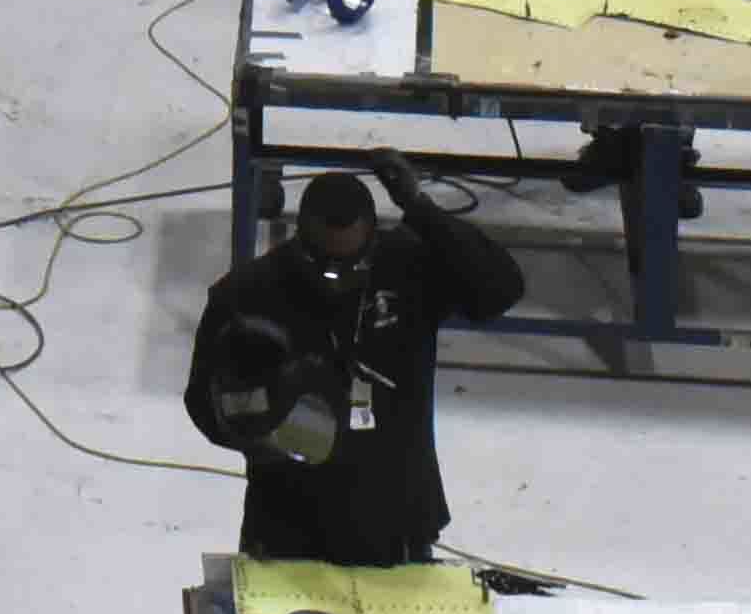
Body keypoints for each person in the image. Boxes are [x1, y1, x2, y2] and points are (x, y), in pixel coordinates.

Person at [183, 162, 524, 565]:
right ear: (299, 238)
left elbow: (500, 290)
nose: (335, 279)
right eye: (322, 264)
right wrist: (272, 415)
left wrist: (421, 208)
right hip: (288, 520)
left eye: (351, 266)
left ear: (373, 239)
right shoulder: (247, 297)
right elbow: (204, 408)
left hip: (395, 517)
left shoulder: (408, 270)